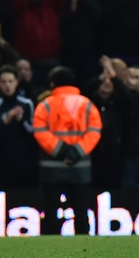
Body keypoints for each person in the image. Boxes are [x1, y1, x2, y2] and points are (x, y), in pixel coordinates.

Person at [33, 67, 102, 235]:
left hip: (52, 165)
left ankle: (49, 248)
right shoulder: (87, 105)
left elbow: (40, 131)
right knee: (80, 209)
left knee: (50, 210)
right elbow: (94, 131)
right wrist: (76, 152)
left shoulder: (45, 105)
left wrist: (61, 151)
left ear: (52, 83)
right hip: (80, 165)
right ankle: (84, 247)